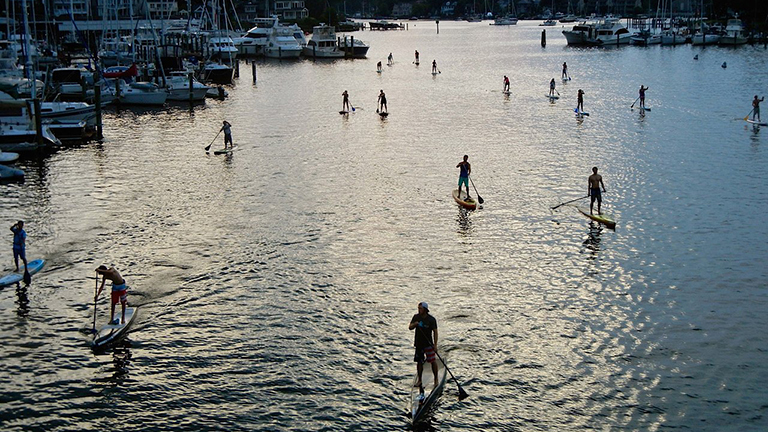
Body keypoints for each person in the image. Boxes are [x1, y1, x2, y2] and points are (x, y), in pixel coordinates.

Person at [409, 302, 439, 388]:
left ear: (425, 310)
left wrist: (435, 345)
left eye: (420, 308)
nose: (419, 310)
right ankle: (419, 380)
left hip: (428, 344)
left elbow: (435, 332)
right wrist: (415, 324)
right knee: (419, 362)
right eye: (418, 308)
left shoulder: (431, 319)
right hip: (418, 344)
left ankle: (436, 379)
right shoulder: (416, 317)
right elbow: (410, 327)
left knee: (432, 361)